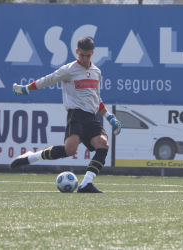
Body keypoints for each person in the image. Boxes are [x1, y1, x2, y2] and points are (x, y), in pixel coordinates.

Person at [10, 37, 121, 193]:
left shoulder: (96, 72)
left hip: (91, 117)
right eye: (82, 55)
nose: (84, 58)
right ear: (77, 52)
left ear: (92, 54)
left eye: (88, 55)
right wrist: (26, 89)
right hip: (76, 115)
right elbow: (47, 80)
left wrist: (110, 117)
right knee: (70, 150)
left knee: (103, 144)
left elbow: (96, 99)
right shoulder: (68, 70)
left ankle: (86, 184)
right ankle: (32, 157)